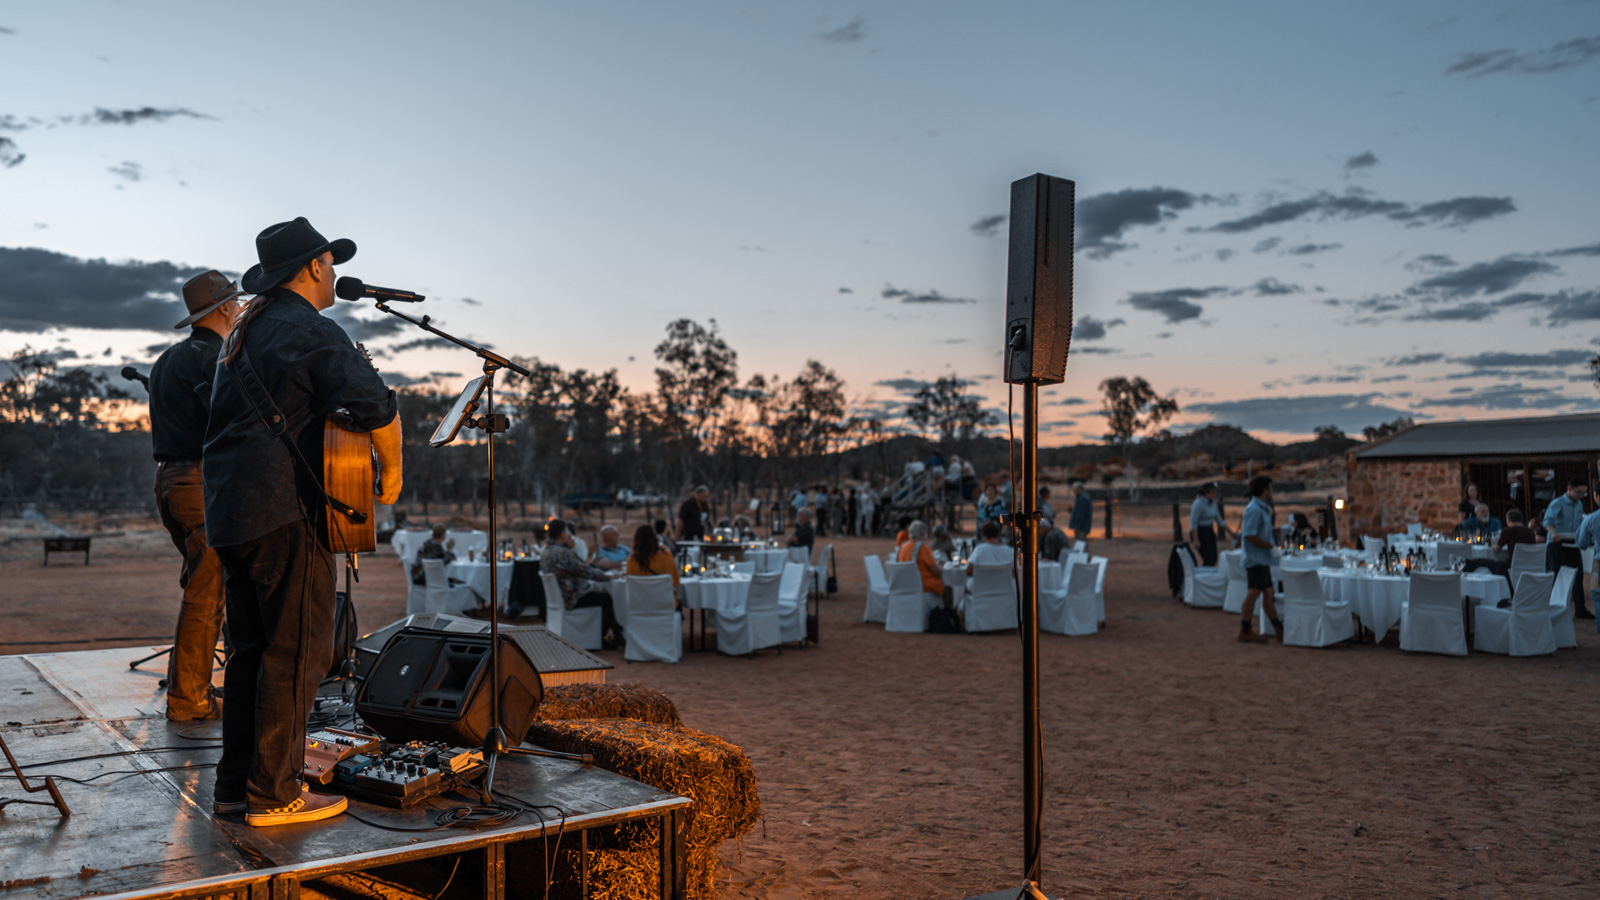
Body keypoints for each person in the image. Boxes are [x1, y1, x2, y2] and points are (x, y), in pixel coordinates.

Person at [204, 218, 401, 826]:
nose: (336, 273)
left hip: (231, 512)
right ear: (314, 267)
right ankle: (276, 794)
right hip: (284, 513)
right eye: (330, 263)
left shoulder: (244, 331)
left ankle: (235, 787)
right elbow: (376, 405)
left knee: (250, 654)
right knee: (296, 654)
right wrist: (390, 477)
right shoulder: (310, 329)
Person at [149, 270, 245, 722]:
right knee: (207, 595)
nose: (242, 308)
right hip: (202, 482)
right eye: (238, 303)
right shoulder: (218, 357)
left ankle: (192, 685)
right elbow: (230, 425)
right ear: (225, 308)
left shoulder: (167, 360)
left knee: (201, 587)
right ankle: (189, 699)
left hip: (169, 482)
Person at [540, 518, 623, 644]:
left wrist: (590, 557)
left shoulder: (546, 551)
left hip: (561, 597)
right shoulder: (563, 553)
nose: (569, 535)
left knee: (600, 594)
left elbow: (580, 569)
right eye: (567, 532)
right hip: (573, 597)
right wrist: (609, 577)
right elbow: (586, 572)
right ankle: (601, 638)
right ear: (562, 534)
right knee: (608, 599)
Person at [1542, 477, 1592, 619]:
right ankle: (1548, 608)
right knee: (1554, 575)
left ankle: (1580, 610)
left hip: (1573, 543)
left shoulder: (1579, 505)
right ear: (1569, 489)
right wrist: (1554, 534)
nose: (1581, 496)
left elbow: (1580, 523)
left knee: (1578, 577)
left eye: (1584, 493)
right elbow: (1548, 521)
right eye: (1578, 492)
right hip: (1557, 544)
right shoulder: (1558, 503)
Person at [1237, 476, 1278, 643]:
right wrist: (1271, 547)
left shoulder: (1262, 508)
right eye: (1270, 488)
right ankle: (1245, 630)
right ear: (1264, 490)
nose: (1271, 491)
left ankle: (1278, 628)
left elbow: (1262, 532)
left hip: (1263, 559)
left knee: (1268, 592)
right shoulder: (1254, 509)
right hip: (1256, 558)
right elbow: (1249, 535)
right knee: (1254, 592)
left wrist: (1280, 530)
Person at [897, 520, 946, 602]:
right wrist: (941, 565)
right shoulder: (923, 548)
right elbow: (936, 571)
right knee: (947, 587)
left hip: (905, 584)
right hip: (922, 584)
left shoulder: (903, 547)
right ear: (923, 534)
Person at [1188, 482, 1230, 567]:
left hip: (1209, 531)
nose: (1215, 494)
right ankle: (1205, 577)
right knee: (1208, 558)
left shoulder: (1212, 503)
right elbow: (1193, 523)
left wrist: (1231, 533)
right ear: (1207, 492)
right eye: (1213, 492)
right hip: (1200, 532)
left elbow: (1220, 520)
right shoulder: (1198, 504)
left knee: (1213, 558)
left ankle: (1208, 576)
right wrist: (1196, 539)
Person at [627, 523, 680, 590]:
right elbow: (676, 582)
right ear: (655, 538)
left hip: (640, 600)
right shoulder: (666, 555)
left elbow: (628, 584)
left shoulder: (632, 560)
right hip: (664, 599)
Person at [1068, 481, 1094, 549]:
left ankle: (1084, 558)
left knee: (1081, 544)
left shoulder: (1083, 499)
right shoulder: (1081, 498)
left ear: (1079, 489)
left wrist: (1077, 526)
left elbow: (1080, 514)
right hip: (1082, 525)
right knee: (1081, 543)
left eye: (1074, 489)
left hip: (1081, 526)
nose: (1073, 491)